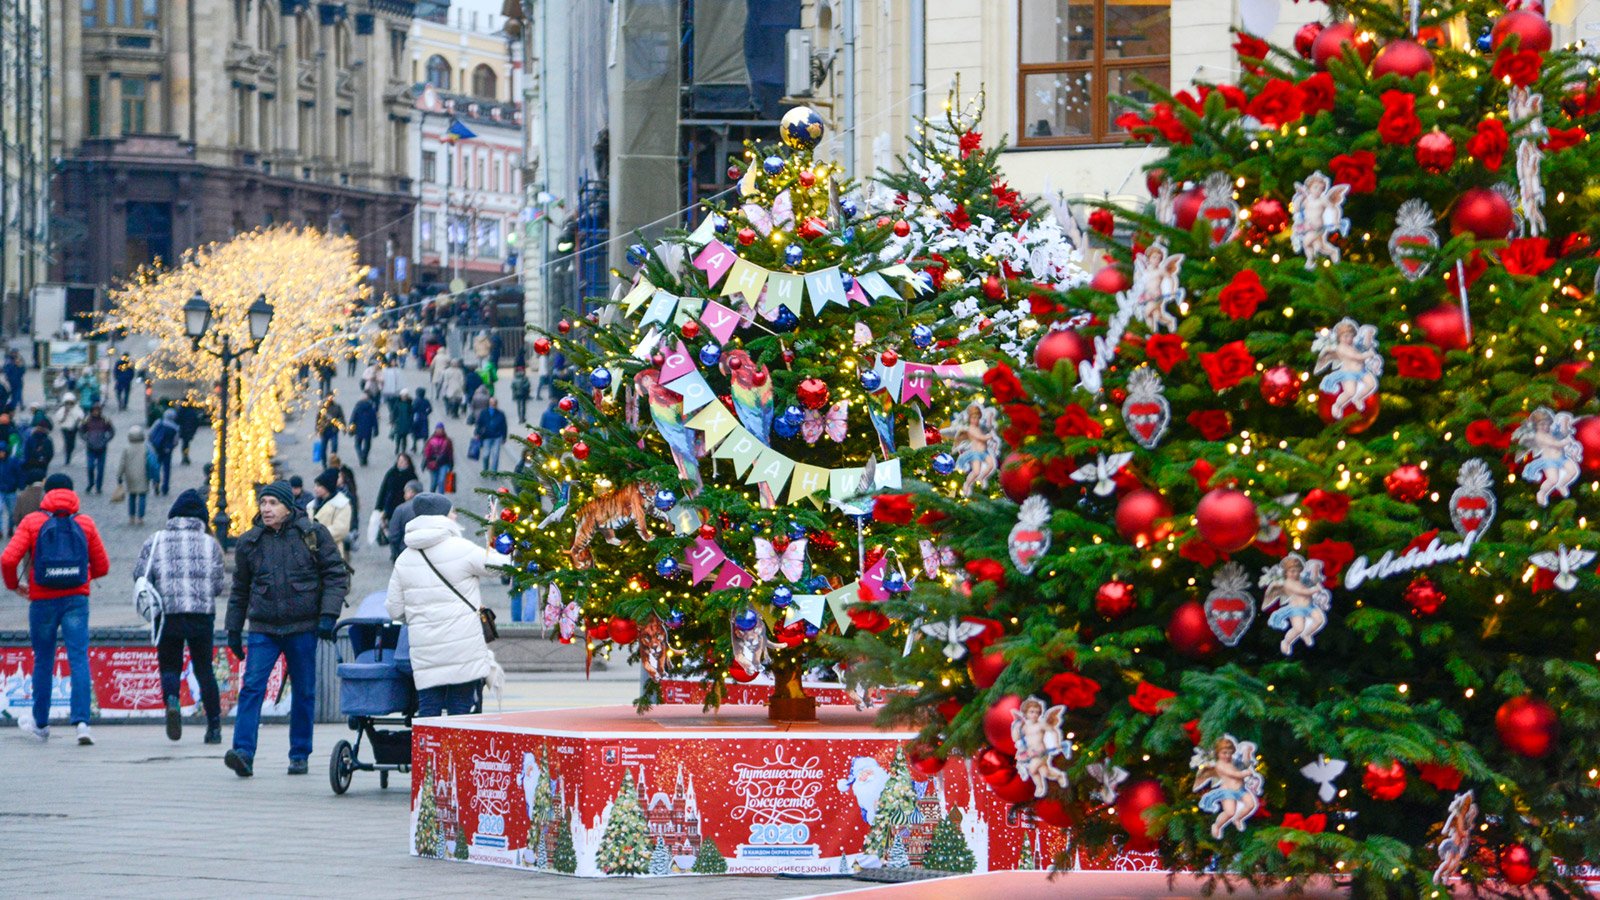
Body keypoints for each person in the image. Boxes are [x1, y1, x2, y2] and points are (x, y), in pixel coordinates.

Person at [223, 482, 349, 777]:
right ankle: (243, 752)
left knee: (304, 690)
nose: (266, 508)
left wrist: (328, 616)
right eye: (263, 503)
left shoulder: (312, 534)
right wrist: (233, 628)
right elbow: (239, 589)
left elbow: (335, 574)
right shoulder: (250, 542)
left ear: (287, 507)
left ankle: (299, 753)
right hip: (263, 627)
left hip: (303, 626)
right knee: (252, 687)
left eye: (272, 503)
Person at [6, 473, 111, 745]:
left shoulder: (32, 522)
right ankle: (83, 724)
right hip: (76, 600)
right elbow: (103, 566)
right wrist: (85, 576)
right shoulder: (85, 523)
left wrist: (15, 587)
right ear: (72, 492)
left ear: (46, 495)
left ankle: (41, 724)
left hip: (41, 601)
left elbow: (8, 559)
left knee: (43, 660)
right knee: (78, 657)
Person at [386, 492, 503, 717]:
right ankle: (457, 754)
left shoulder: (404, 558)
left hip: (425, 649)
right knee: (460, 710)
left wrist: (420, 616)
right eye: (452, 511)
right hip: (463, 648)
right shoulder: (462, 549)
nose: (456, 515)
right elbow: (500, 567)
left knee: (428, 710)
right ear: (442, 516)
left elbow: (394, 609)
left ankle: (428, 753)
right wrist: (498, 542)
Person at [136, 489, 226, 744]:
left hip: (167, 614)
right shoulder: (211, 544)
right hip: (201, 615)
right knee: (204, 669)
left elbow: (140, 575)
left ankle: (173, 701)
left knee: (170, 666)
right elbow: (218, 586)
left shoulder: (156, 540)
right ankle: (214, 727)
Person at [309, 468, 352, 562]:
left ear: (327, 487)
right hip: (311, 553)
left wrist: (315, 535)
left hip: (332, 552)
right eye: (315, 485)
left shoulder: (341, 505)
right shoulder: (311, 505)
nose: (315, 489)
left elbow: (340, 529)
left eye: (319, 486)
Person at [117, 425, 152, 524]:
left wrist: (119, 476)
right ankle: (140, 517)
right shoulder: (146, 448)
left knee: (132, 496)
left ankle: (131, 517)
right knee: (142, 496)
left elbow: (122, 463)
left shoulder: (127, 448)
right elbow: (151, 463)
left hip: (130, 476)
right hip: (143, 475)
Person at [80, 403, 115, 494]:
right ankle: (91, 483)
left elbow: (112, 431)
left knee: (100, 469)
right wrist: (86, 439)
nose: (96, 412)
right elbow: (81, 431)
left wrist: (106, 440)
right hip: (90, 448)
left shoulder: (105, 420)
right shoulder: (87, 420)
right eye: (94, 410)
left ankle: (99, 487)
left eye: (98, 410)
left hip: (102, 448)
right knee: (90, 467)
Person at [385, 479, 423, 561]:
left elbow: (394, 535)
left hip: (405, 550)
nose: (404, 495)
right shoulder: (429, 508)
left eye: (405, 492)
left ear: (411, 492)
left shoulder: (400, 509)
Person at [147, 407, 179, 496]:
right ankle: (165, 488)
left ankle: (155, 484)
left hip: (156, 449)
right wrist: (170, 447)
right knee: (166, 469)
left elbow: (150, 434)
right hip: (167, 451)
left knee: (156, 467)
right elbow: (175, 441)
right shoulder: (175, 428)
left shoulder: (159, 422)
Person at [475, 396, 509, 473]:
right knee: (486, 455)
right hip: (487, 436)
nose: (493, 405)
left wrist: (504, 437)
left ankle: (494, 472)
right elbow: (479, 423)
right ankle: (486, 469)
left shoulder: (501, 414)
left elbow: (504, 426)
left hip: (497, 437)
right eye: (491, 403)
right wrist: (477, 433)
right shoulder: (484, 412)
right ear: (489, 404)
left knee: (495, 455)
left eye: (494, 404)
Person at [54, 391, 84, 467]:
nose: (69, 404)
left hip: (74, 428)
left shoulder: (77, 409)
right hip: (65, 428)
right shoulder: (62, 410)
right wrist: (65, 414)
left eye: (71, 402)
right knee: (67, 442)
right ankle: (67, 458)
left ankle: (69, 453)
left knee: (72, 444)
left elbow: (81, 417)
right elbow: (59, 420)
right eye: (67, 403)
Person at [423, 424, 455, 493]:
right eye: (438, 429)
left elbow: (450, 453)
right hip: (433, 464)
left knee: (442, 480)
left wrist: (451, 464)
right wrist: (425, 463)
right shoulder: (430, 440)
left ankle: (441, 498)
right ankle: (431, 496)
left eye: (441, 429)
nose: (439, 430)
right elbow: (426, 453)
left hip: (444, 463)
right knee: (434, 482)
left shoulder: (448, 440)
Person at [20, 418, 52, 485]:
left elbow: (25, 452)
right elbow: (50, 454)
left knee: (31, 484)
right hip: (40, 466)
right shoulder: (46, 440)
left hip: (31, 466)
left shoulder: (30, 438)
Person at [349, 394, 378, 466]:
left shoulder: (357, 407)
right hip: (368, 429)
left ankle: (361, 455)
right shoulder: (371, 408)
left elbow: (352, 419)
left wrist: (351, 429)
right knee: (367, 445)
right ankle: (364, 457)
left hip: (358, 429)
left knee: (357, 445)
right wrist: (376, 430)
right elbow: (374, 420)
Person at [316, 395, 344, 463]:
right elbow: (318, 419)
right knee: (323, 448)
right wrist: (317, 429)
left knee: (334, 445)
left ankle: (332, 460)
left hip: (333, 429)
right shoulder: (322, 407)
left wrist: (342, 425)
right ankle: (324, 463)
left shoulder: (337, 407)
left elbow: (341, 417)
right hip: (324, 430)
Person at [0, 445, 21, 534]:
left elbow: (18, 474)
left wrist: (18, 485)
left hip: (11, 490)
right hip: (1, 490)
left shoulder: (13, 461)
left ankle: (10, 528)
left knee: (12, 512)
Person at [391, 389, 414, 456]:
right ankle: (397, 447)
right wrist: (393, 420)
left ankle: (403, 450)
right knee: (398, 437)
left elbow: (411, 413)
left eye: (405, 396)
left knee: (404, 437)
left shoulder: (409, 404)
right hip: (399, 422)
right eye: (403, 396)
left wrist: (410, 421)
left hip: (406, 423)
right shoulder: (397, 403)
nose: (404, 397)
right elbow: (394, 413)